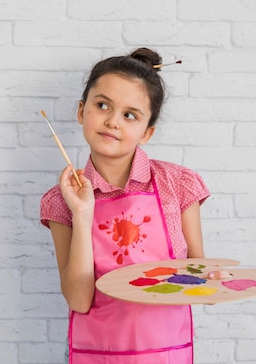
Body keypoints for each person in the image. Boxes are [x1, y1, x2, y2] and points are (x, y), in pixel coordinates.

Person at [40, 48, 209, 364]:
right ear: (81, 111)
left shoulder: (178, 184)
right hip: (96, 353)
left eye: (129, 114)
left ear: (147, 132)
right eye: (102, 105)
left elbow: (200, 276)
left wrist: (215, 283)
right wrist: (82, 211)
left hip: (166, 352)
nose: (112, 121)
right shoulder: (59, 200)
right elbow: (78, 299)